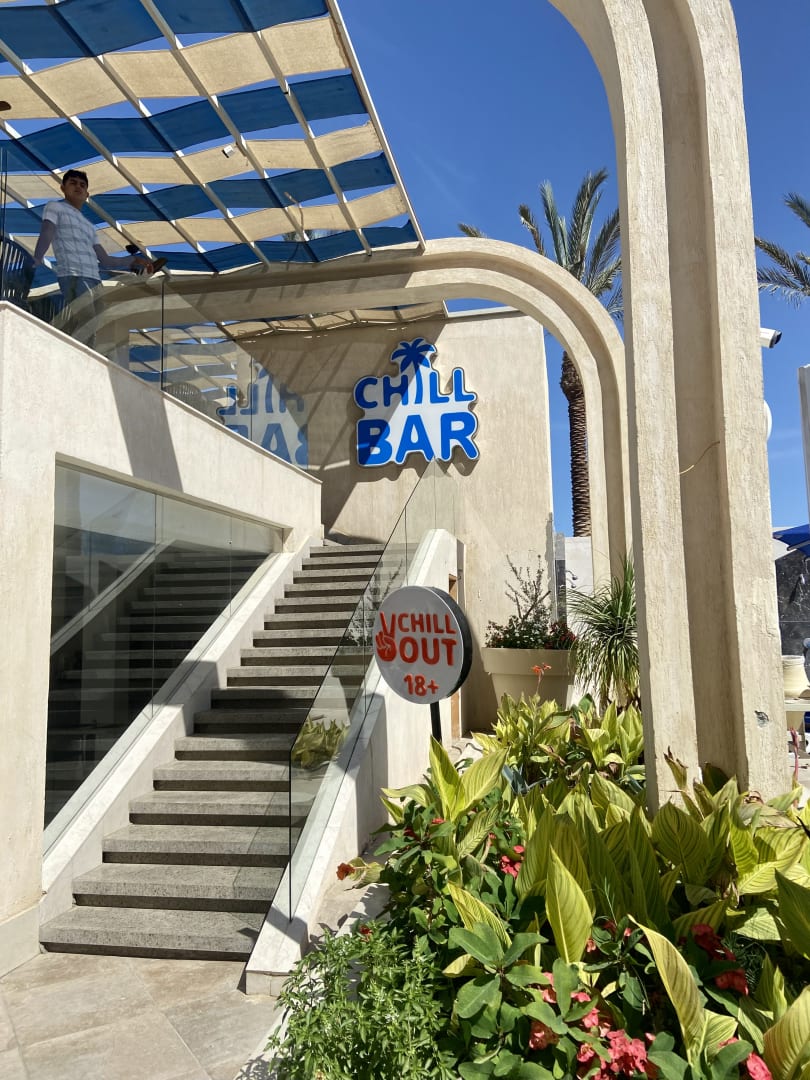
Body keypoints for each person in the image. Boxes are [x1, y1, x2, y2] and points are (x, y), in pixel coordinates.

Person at [33, 169, 163, 345]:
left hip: (94, 280)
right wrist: (38, 257)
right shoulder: (55, 207)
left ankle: (76, 351)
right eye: (73, 183)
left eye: (82, 185)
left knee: (95, 323)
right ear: (63, 188)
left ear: (87, 194)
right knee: (88, 319)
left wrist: (133, 260)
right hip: (73, 274)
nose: (78, 187)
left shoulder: (88, 226)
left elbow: (106, 261)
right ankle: (76, 355)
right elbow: (47, 230)